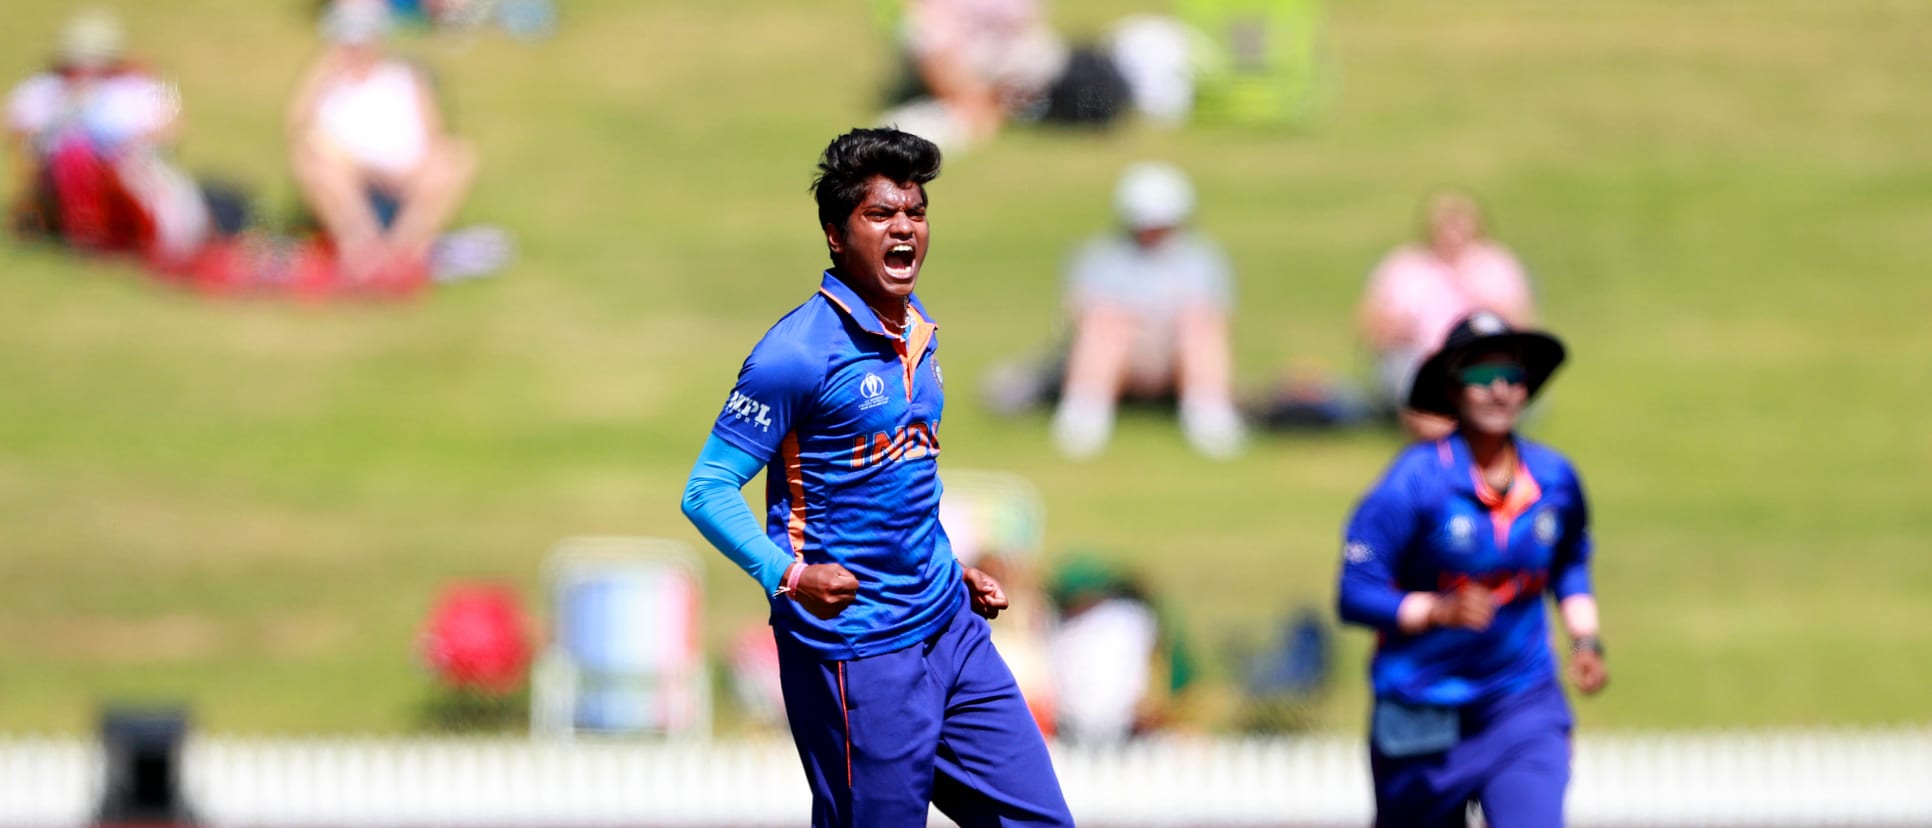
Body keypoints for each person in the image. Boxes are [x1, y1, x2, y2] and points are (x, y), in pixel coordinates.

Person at [680, 127, 1072, 827]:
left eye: (915, 213)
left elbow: (897, 478)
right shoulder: (796, 355)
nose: (904, 230)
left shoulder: (916, 327)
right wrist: (790, 576)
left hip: (950, 626)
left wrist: (951, 565)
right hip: (859, 651)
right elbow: (706, 490)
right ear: (836, 234)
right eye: (880, 215)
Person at [1335, 310, 1609, 827]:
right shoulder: (1413, 482)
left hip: (1520, 702)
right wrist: (1437, 611)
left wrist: (1586, 639)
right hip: (1422, 710)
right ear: (1453, 388)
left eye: (1513, 377)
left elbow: (1570, 560)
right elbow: (1356, 592)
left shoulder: (1554, 478)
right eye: (1482, 377)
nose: (1499, 390)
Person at [1044, 161, 1245, 460]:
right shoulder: (1102, 256)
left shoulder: (1202, 259)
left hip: (1174, 356)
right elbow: (1078, 316)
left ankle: (1209, 413)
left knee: (1197, 326)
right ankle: (1085, 413)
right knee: (1106, 324)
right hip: (1123, 354)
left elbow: (1219, 318)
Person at [287, 0, 477, 280]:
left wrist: (409, 169)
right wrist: (322, 72)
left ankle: (403, 249)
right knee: (312, 160)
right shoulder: (329, 83)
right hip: (350, 178)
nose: (356, 49)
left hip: (407, 176)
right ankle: (361, 249)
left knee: (456, 156)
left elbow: (435, 134)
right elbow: (297, 126)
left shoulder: (405, 78)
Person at [6, 8, 210, 261]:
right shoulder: (46, 88)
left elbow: (172, 127)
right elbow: (14, 124)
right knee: (74, 152)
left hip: (126, 174)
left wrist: (128, 143)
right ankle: (85, 234)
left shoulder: (137, 88)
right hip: (58, 179)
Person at [1358, 190, 1536, 440]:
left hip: (1479, 356)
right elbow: (1369, 327)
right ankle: (1436, 426)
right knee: (1406, 368)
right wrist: (1397, 329)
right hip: (1420, 354)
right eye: (1444, 225)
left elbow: (1523, 326)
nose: (1451, 233)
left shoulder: (1495, 265)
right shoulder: (1405, 266)